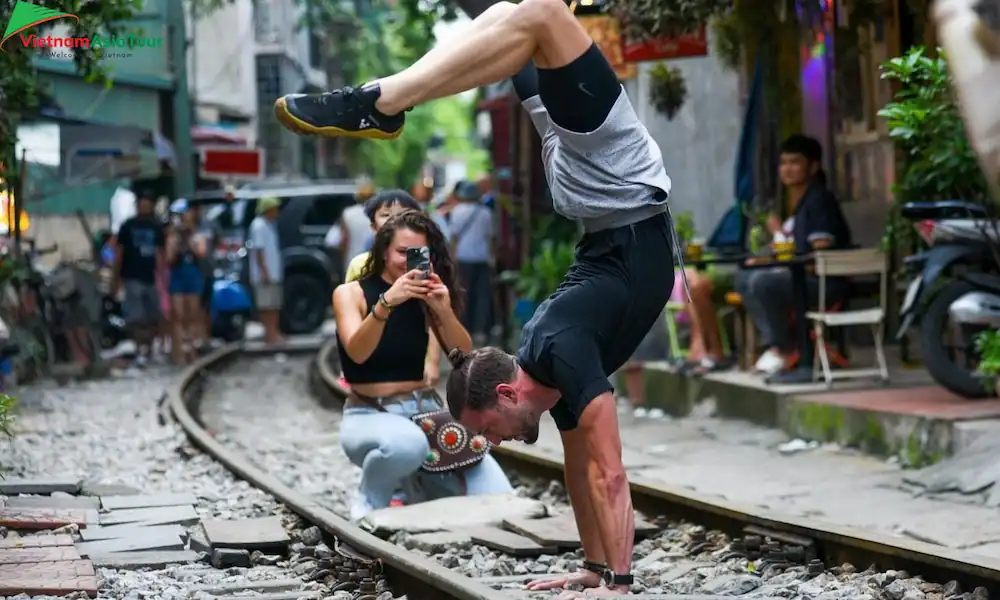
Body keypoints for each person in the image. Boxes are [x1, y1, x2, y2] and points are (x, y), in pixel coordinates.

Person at [276, 3, 684, 597]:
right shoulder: (552, 371)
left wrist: (616, 584)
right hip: (596, 188)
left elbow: (608, 474)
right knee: (524, 17)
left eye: (488, 430)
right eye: (487, 436)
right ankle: (384, 104)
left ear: (506, 393)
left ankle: (380, 102)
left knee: (525, 13)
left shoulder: (560, 355)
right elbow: (583, 472)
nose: (490, 443)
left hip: (607, 173)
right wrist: (591, 570)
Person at [334, 209, 512, 521]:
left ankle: (417, 490)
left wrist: (443, 310)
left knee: (499, 496)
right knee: (408, 446)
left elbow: (463, 359)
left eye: (419, 253)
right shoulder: (351, 294)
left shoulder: (426, 295)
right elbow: (357, 353)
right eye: (402, 252)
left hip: (424, 414)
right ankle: (369, 499)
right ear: (383, 251)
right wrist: (387, 303)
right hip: (368, 413)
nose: (409, 260)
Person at [737, 135, 852, 374]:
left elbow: (820, 253)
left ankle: (784, 347)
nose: (787, 169)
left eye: (795, 162)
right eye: (783, 163)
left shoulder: (820, 201)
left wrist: (783, 257)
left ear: (813, 166)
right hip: (803, 278)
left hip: (826, 283)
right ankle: (780, 342)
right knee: (744, 276)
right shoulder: (800, 203)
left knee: (763, 282)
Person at [113, 191, 166, 368]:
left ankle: (148, 348)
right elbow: (119, 252)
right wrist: (116, 276)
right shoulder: (127, 226)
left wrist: (162, 278)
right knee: (136, 317)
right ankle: (138, 348)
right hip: (131, 275)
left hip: (151, 277)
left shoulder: (156, 226)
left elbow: (160, 254)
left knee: (153, 315)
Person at [449, 181, 495, 346]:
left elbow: (454, 238)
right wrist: (492, 258)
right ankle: (479, 331)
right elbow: (490, 238)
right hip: (482, 259)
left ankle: (464, 330)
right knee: (482, 295)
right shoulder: (486, 213)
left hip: (463, 259)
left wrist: (452, 258)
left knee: (463, 295)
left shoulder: (456, 212)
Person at [167, 200, 209, 364]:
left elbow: (201, 253)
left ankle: (193, 348)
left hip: (193, 275)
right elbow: (170, 259)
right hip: (178, 276)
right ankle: (179, 351)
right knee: (178, 315)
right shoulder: (173, 236)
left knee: (193, 314)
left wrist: (190, 237)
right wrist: (177, 240)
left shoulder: (198, 234)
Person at [249, 196, 284, 345]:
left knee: (274, 305)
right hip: (265, 274)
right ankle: (269, 335)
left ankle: (274, 332)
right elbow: (259, 250)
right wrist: (264, 271)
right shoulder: (258, 226)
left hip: (274, 272)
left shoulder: (271, 225)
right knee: (266, 306)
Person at [326, 177, 377, 278]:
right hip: (373, 263)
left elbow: (344, 241)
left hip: (352, 263)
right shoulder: (378, 213)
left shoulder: (348, 213)